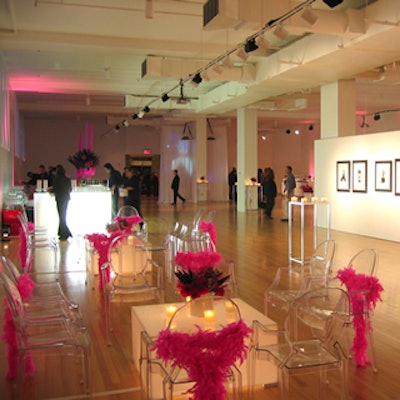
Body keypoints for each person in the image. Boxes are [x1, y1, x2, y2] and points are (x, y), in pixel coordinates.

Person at [50, 164, 72, 241]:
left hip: (59, 199)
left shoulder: (57, 179)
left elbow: (55, 189)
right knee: (63, 216)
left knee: (61, 216)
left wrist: (49, 190)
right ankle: (64, 233)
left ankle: (64, 233)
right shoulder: (67, 179)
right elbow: (70, 189)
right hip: (66, 198)